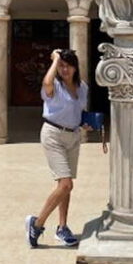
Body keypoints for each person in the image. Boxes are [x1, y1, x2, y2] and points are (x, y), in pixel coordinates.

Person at [25, 48, 88, 248]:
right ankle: (36, 224)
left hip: (73, 136)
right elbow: (46, 83)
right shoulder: (54, 86)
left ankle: (62, 228)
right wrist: (55, 59)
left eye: (68, 65)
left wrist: (84, 123)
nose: (65, 69)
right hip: (53, 134)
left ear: (76, 67)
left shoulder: (82, 87)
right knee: (66, 184)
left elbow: (79, 110)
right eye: (62, 66)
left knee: (65, 185)